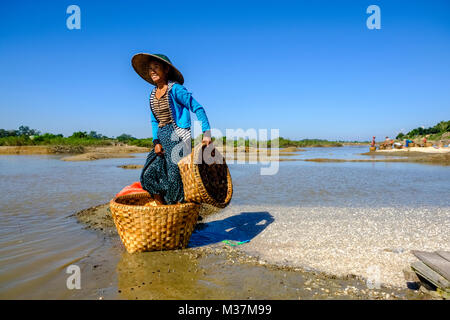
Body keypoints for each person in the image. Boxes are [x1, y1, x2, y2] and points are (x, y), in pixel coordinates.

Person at [131, 53, 212, 204]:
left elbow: (198, 108)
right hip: (161, 137)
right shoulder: (152, 94)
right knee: (149, 174)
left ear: (166, 69)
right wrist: (156, 142)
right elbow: (154, 121)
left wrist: (206, 133)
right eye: (150, 68)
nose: (152, 71)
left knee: (175, 177)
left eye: (156, 67)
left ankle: (178, 211)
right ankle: (163, 208)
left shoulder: (176, 90)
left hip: (177, 136)